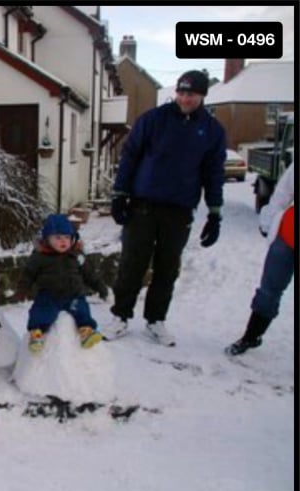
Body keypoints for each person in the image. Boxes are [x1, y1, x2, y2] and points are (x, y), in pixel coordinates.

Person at [105, 69, 227, 346]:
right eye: (181, 92)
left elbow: (213, 173)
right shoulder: (153, 120)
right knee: (132, 264)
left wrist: (215, 212)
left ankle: (155, 320)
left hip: (179, 209)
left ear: (202, 96)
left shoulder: (211, 130)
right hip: (143, 206)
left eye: (191, 94)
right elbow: (130, 156)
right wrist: (119, 194)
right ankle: (120, 316)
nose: (185, 98)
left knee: (167, 268)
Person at [226, 162, 295, 355]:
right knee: (269, 290)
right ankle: (251, 336)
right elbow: (283, 192)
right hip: (287, 236)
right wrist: (269, 219)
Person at [17, 214, 108, 352]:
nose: (63, 241)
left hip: (74, 294)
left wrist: (100, 287)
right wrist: (22, 289)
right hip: (49, 295)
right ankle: (37, 333)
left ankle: (86, 331)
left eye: (67, 237)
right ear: (47, 238)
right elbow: (28, 274)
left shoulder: (76, 255)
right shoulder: (40, 256)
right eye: (58, 237)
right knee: (41, 311)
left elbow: (89, 274)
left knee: (82, 309)